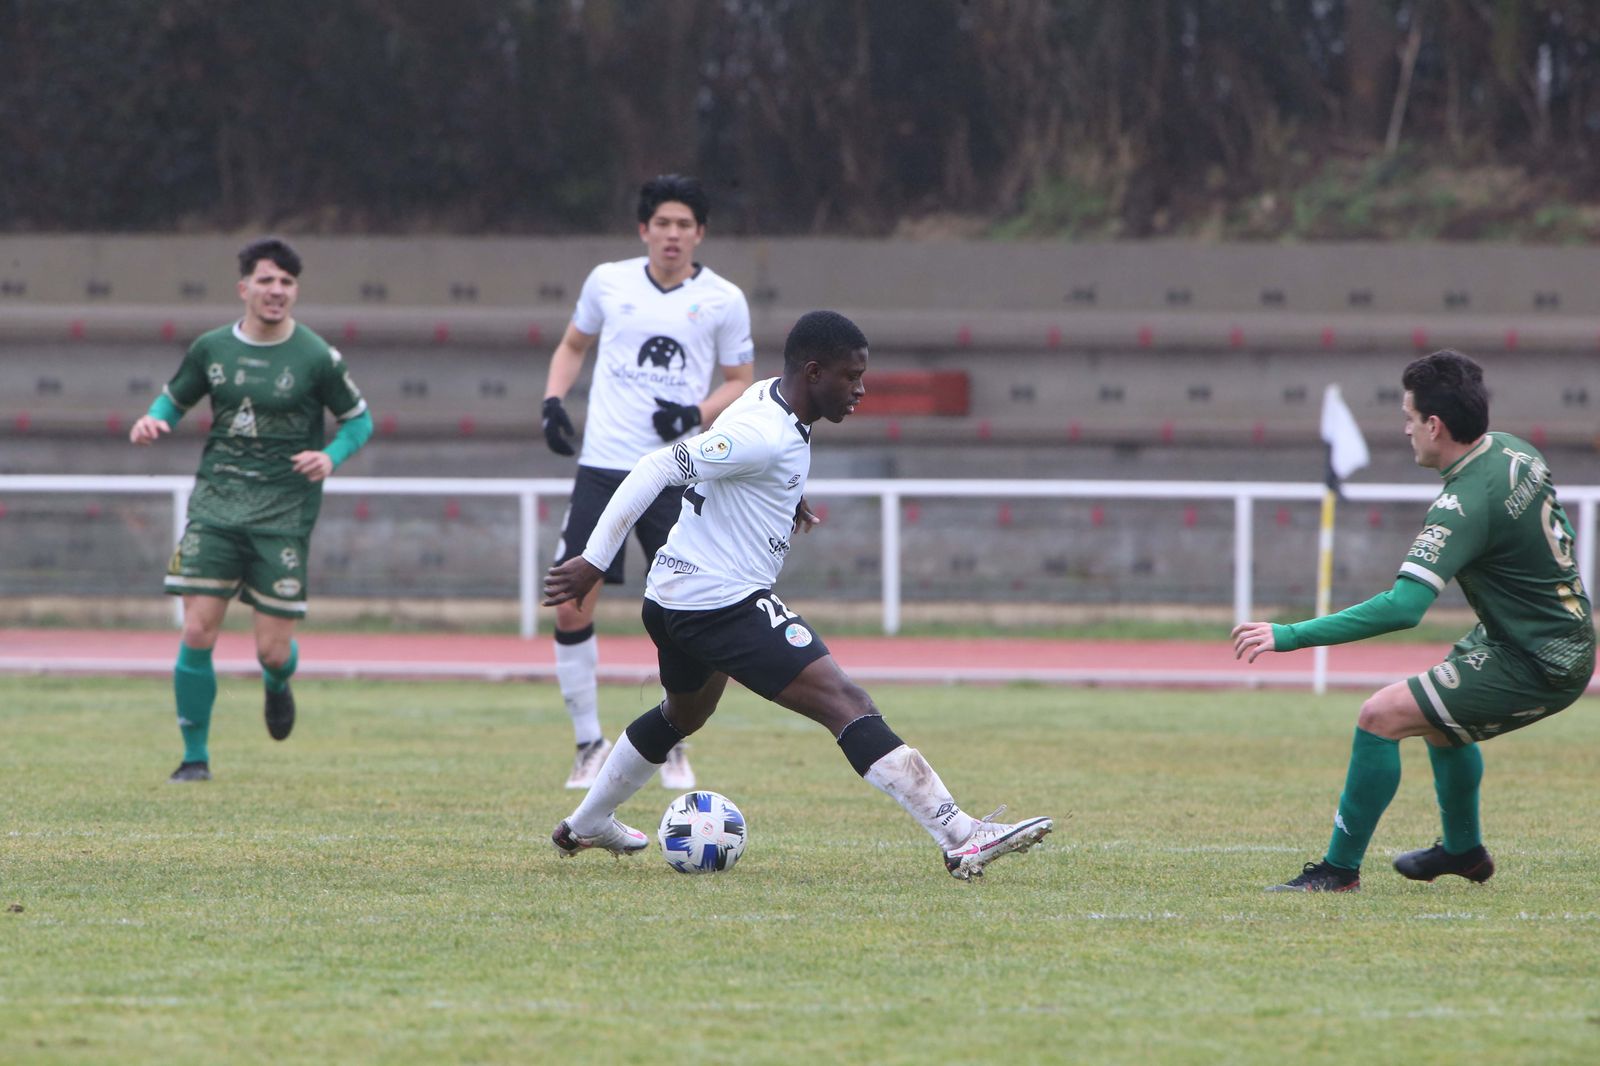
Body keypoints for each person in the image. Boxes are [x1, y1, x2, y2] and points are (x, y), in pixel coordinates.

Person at [543, 310, 1053, 880]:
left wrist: (784, 496)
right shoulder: (764, 434)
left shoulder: (771, 400)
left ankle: (587, 823)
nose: (861, 390)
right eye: (851, 377)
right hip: (719, 601)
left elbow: (742, 463)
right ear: (814, 372)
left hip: (673, 595)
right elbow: (657, 465)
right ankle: (961, 834)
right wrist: (594, 559)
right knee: (846, 701)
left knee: (683, 713)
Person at [1233, 350, 1594, 892]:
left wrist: (1290, 634)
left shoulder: (1465, 501)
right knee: (1438, 720)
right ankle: (1464, 851)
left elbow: (1403, 608)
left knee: (1381, 716)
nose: (1405, 430)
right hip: (1542, 632)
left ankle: (1338, 871)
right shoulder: (1515, 450)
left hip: (1539, 657)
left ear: (1435, 425)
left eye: (1408, 418)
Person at [129, 237, 374, 782]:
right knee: (197, 631)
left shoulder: (316, 357)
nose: (277, 291)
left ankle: (277, 680)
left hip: (283, 513)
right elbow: (176, 396)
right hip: (217, 504)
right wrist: (154, 418)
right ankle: (195, 758)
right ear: (244, 288)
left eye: (287, 282)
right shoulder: (211, 348)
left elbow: (360, 421)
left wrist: (331, 456)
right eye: (266, 280)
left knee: (270, 650)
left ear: (295, 291)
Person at [540, 174, 755, 792]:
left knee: (690, 609)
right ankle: (587, 745)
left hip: (677, 471)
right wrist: (554, 400)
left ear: (700, 234)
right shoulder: (608, 282)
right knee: (571, 600)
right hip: (604, 467)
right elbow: (572, 343)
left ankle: (673, 739)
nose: (672, 234)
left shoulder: (722, 298)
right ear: (644, 229)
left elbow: (741, 377)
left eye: (684, 224)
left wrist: (694, 415)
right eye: (662, 223)